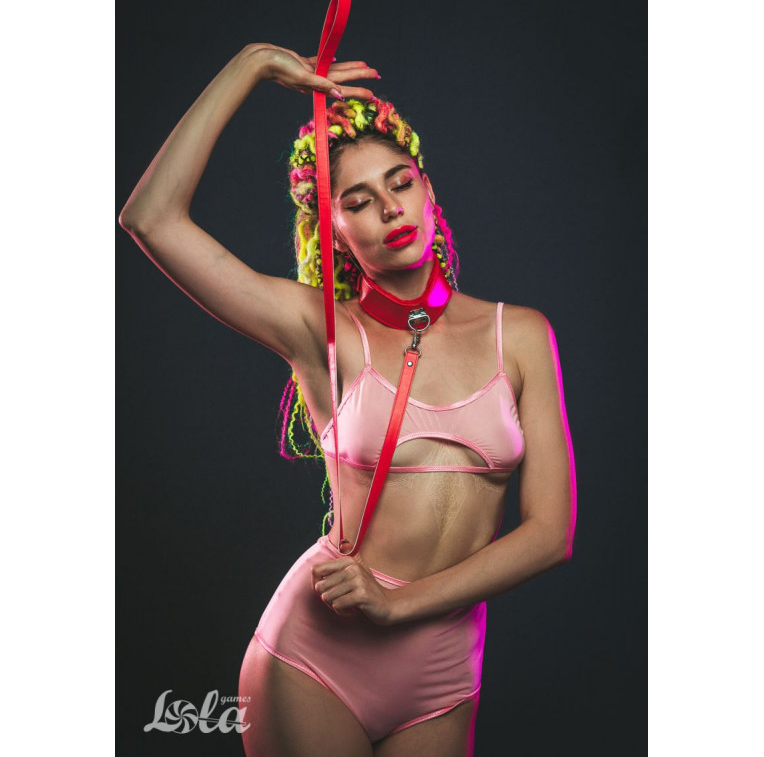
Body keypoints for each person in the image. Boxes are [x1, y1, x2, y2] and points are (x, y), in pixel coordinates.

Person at [120, 42, 577, 757]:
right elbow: (151, 218)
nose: (389, 208)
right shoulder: (321, 332)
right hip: (317, 659)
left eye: (401, 183)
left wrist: (399, 604)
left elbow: (551, 533)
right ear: (331, 230)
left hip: (443, 671)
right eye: (357, 202)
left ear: (428, 190)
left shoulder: (519, 335)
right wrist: (252, 65)